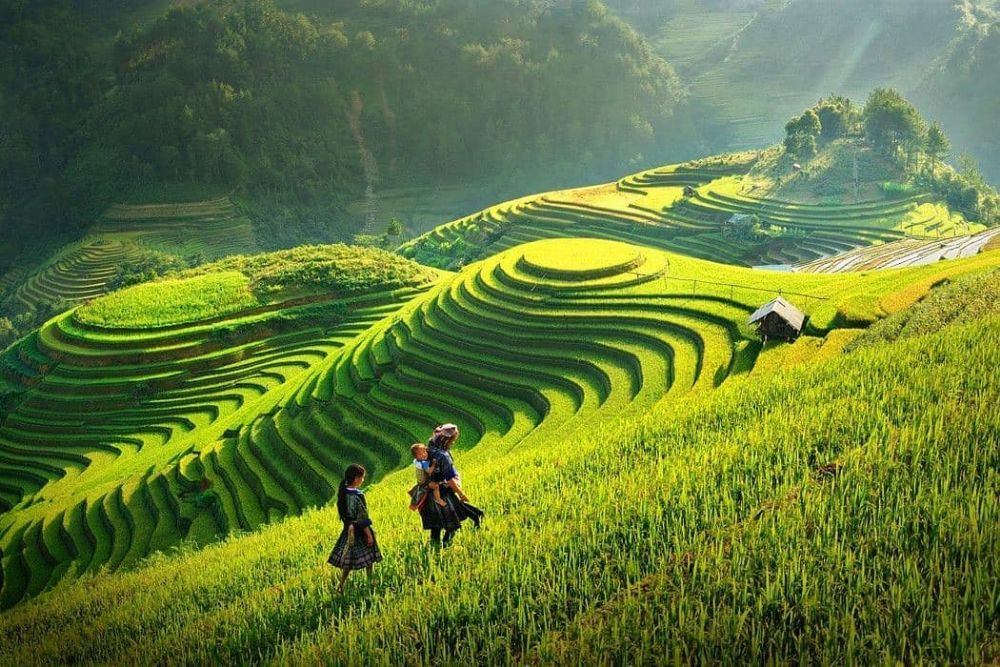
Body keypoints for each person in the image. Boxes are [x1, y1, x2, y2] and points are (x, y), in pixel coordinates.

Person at [418, 423, 484, 548]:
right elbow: (450, 480)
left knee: (436, 523)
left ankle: (436, 546)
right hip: (443, 490)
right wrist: (461, 493)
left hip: (430, 490)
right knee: (452, 520)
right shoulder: (443, 456)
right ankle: (445, 544)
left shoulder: (429, 447)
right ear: (446, 440)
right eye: (452, 440)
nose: (453, 443)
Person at [327, 463, 381, 593]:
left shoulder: (343, 493)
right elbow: (362, 518)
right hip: (360, 530)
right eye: (362, 477)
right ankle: (369, 581)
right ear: (356, 478)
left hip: (348, 530)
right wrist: (369, 535)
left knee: (348, 562)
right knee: (369, 557)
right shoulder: (357, 495)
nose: (363, 480)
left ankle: (341, 585)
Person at [410, 443, 446, 509]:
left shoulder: (416, 461)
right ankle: (438, 499)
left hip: (421, 480)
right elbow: (429, 471)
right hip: (425, 482)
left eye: (424, 452)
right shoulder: (423, 463)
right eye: (420, 454)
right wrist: (434, 464)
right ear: (416, 457)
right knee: (436, 486)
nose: (424, 454)